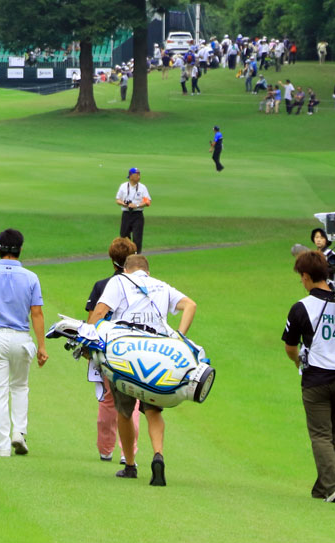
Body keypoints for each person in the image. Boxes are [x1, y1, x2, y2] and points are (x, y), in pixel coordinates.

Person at [88, 254, 197, 486]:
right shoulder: (162, 286)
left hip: (127, 351)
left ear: (126, 270)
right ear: (148, 271)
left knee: (125, 411)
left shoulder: (119, 281)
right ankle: (158, 454)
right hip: (158, 352)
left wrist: (87, 336)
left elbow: (99, 312)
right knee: (153, 410)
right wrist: (180, 336)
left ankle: (129, 465)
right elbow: (190, 305)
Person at [282, 250, 335, 503]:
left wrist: (298, 362)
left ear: (306, 276)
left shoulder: (301, 307)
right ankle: (322, 487)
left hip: (316, 379)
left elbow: (290, 347)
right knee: (333, 435)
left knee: (320, 435)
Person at [0, 229, 47, 457]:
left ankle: (3, 445)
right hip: (21, 338)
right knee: (20, 387)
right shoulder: (31, 277)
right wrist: (42, 346)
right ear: (20, 249)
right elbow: (37, 313)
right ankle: (19, 432)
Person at [85, 237, 140, 464]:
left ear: (112, 259)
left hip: (107, 349)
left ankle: (106, 448)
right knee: (133, 400)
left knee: (108, 399)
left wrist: (86, 345)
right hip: (135, 348)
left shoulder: (102, 286)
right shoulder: (141, 286)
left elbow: (93, 317)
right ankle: (128, 452)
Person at [114, 168, 150, 251]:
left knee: (137, 238)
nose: (139, 177)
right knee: (124, 237)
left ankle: (136, 255)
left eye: (139, 175)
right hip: (126, 214)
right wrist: (123, 203)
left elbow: (147, 202)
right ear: (130, 176)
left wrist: (136, 205)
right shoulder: (123, 186)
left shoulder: (142, 188)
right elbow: (118, 200)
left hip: (137, 215)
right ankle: (125, 255)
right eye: (137, 175)